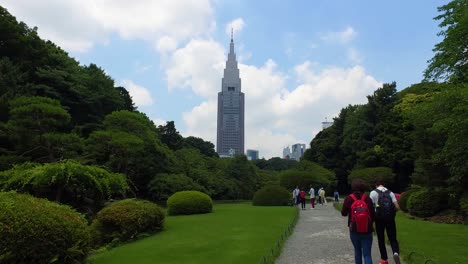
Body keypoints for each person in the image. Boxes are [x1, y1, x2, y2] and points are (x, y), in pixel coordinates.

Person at [341, 179, 375, 264]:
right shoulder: (367, 199)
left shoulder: (349, 198)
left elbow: (344, 213)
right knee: (367, 254)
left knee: (357, 251)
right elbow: (373, 215)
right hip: (367, 229)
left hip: (354, 229)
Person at [370, 178, 401, 264]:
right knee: (393, 238)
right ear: (384, 184)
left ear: (376, 184)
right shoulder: (390, 192)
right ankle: (395, 252)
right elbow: (397, 207)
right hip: (390, 218)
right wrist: (392, 212)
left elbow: (370, 207)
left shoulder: (373, 192)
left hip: (379, 219)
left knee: (381, 239)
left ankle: (384, 259)